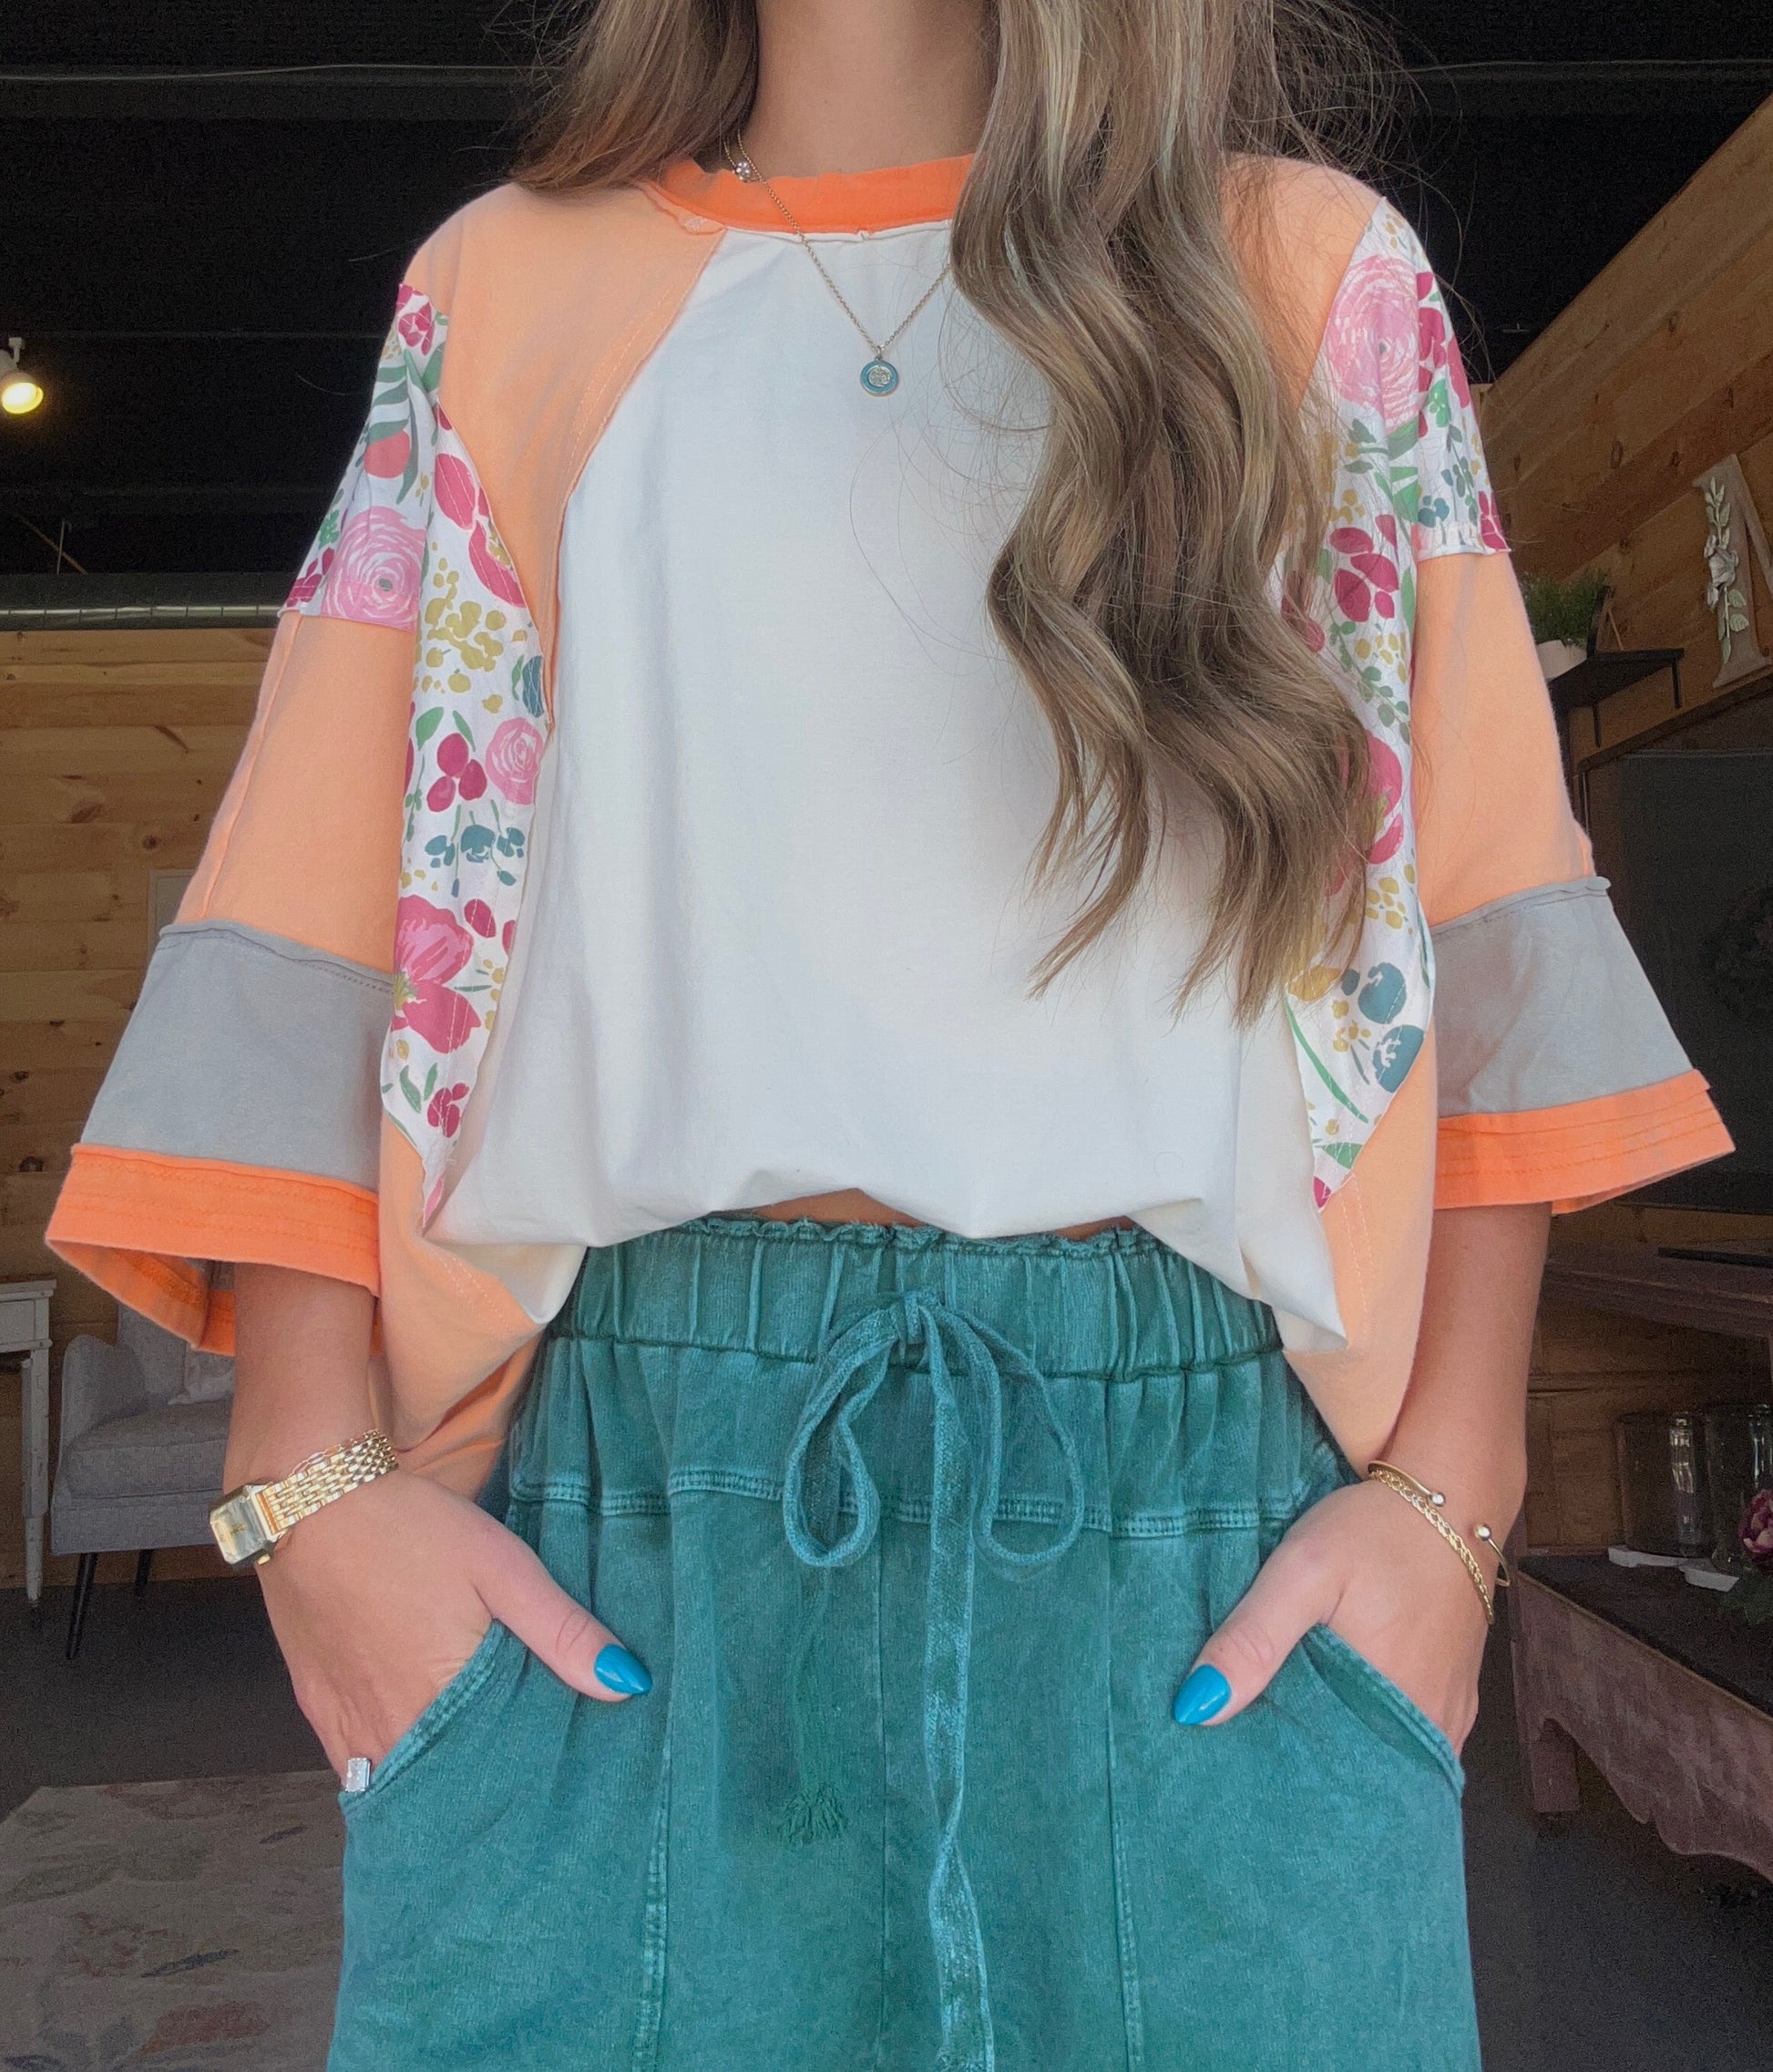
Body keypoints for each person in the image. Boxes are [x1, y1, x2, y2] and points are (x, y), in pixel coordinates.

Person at [49, 0, 1728, 2065]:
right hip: (626, 1525)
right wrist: (305, 1482)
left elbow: (1475, 924)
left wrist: (1456, 1504)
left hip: (1214, 1530)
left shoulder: (1307, 276)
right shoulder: (501, 288)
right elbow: (320, 923)